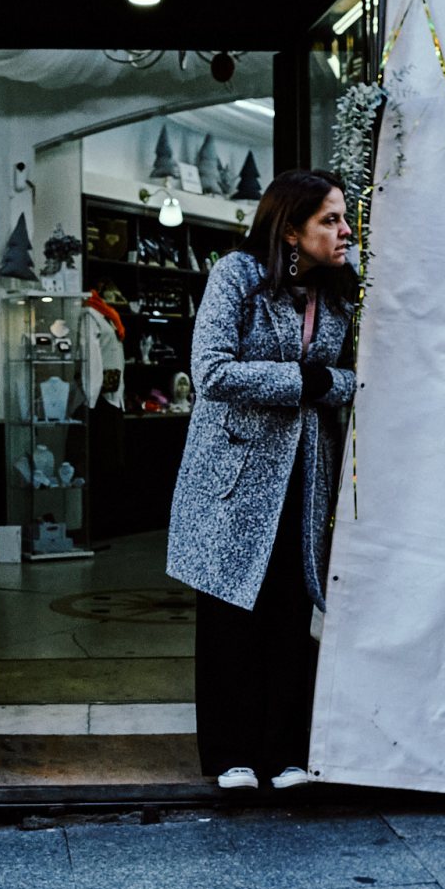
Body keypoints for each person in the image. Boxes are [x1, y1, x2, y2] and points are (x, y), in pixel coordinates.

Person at [166, 168, 357, 790]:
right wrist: (308, 382)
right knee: (232, 613)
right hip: (234, 474)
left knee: (291, 609)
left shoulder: (341, 293)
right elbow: (212, 371)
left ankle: (287, 751)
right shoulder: (237, 276)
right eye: (330, 220)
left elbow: (358, 377)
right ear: (291, 230)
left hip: (307, 472)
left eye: (345, 218)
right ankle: (232, 755)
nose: (345, 231)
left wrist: (331, 384)